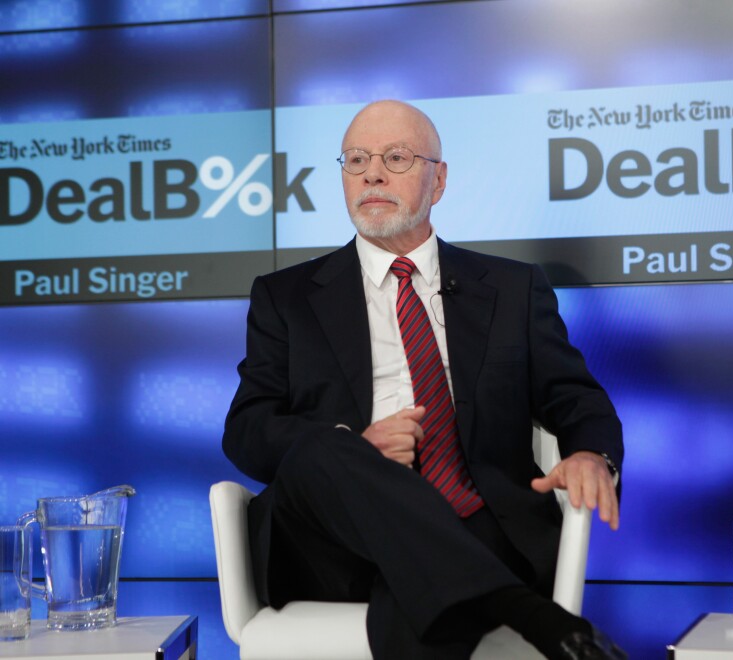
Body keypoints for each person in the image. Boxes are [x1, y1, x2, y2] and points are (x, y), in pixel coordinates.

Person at [222, 100, 626, 659]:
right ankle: (530, 612)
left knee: (423, 601)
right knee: (327, 448)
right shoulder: (285, 296)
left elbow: (574, 397)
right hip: (330, 541)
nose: (372, 173)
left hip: (476, 522)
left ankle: (507, 601)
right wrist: (354, 448)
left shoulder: (511, 289)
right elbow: (247, 429)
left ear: (438, 181)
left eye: (396, 157)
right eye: (356, 159)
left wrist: (591, 455)